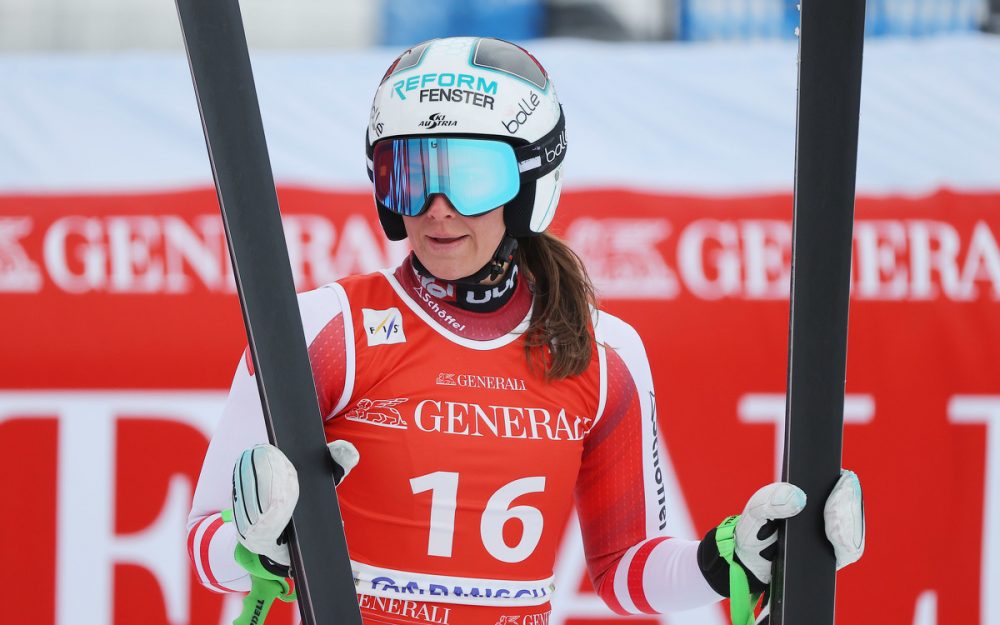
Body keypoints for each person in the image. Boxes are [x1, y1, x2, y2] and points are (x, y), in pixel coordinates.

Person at [187, 37, 864, 625]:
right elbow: (203, 542)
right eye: (410, 174)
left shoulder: (602, 354)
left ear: (531, 182)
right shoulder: (324, 329)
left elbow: (626, 568)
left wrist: (730, 557)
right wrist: (255, 542)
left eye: (471, 177)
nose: (437, 209)